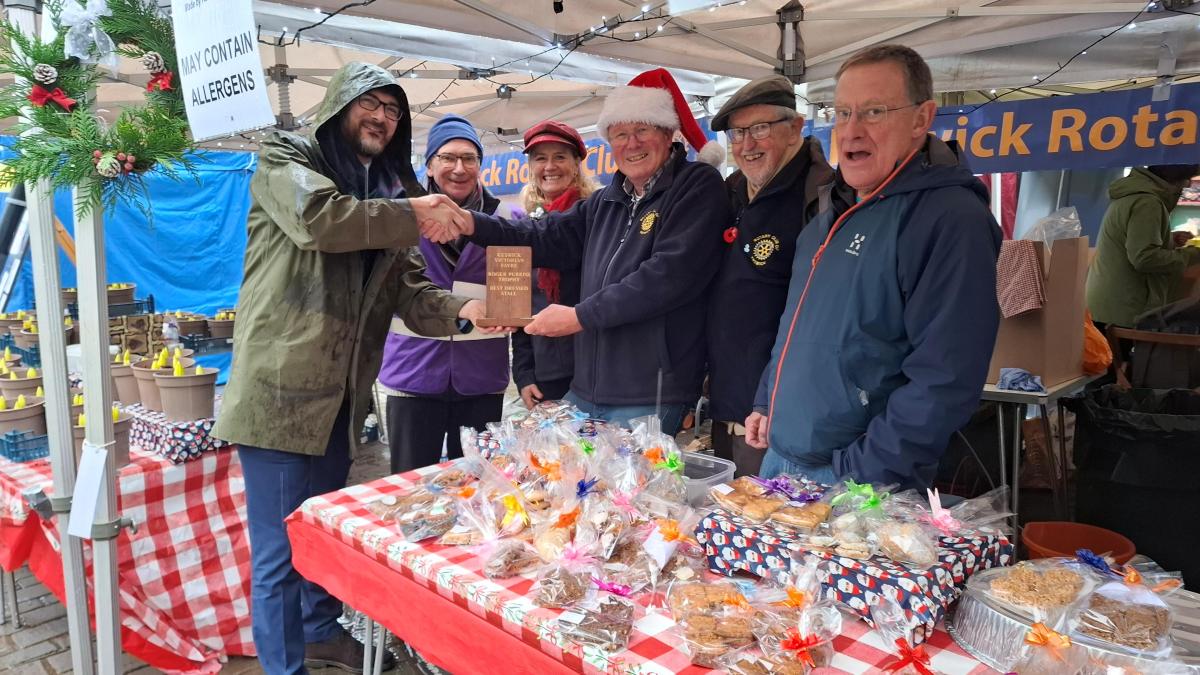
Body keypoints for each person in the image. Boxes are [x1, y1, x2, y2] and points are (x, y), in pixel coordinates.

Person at [213, 62, 486, 675]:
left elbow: (414, 297)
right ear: (339, 104)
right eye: (373, 102)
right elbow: (320, 222)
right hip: (279, 401)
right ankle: (284, 667)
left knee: (324, 535)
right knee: (279, 554)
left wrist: (471, 311)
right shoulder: (286, 159)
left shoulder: (386, 200)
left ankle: (318, 630)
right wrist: (417, 211)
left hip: (340, 404)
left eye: (394, 111)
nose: (383, 117)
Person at [744, 45, 1002, 491]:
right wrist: (768, 400)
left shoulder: (948, 217)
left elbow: (945, 378)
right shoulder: (828, 211)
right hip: (781, 463)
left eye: (874, 112)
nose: (852, 131)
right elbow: (798, 324)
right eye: (842, 113)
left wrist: (863, 470)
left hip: (856, 484)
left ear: (922, 119)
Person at [421, 68, 730, 434]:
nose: (631, 144)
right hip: (586, 389)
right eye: (620, 134)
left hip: (651, 391)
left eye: (642, 130)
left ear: (667, 133)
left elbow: (666, 277)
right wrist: (472, 223)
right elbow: (542, 236)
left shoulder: (696, 185)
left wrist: (579, 316)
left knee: (633, 490)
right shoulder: (604, 201)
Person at [705, 75, 835, 477]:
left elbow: (820, 316)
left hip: (775, 416)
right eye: (737, 134)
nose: (746, 145)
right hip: (725, 402)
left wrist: (773, 403)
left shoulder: (823, 196)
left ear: (796, 127)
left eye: (759, 129)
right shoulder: (731, 193)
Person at [378, 115, 521, 472]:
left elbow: (512, 301)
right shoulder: (400, 217)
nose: (459, 168)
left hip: (481, 380)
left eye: (469, 158)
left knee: (478, 485)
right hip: (413, 373)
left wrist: (511, 312)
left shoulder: (507, 219)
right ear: (429, 165)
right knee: (411, 486)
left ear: (480, 166)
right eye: (448, 158)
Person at [513, 120, 598, 409]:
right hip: (546, 368)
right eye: (540, 158)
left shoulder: (597, 218)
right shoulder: (524, 228)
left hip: (596, 364)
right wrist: (524, 374)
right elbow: (519, 307)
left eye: (560, 157)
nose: (550, 166)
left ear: (576, 164)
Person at [1087, 164, 1200, 330]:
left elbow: (1130, 239)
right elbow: (1145, 259)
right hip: (1124, 308)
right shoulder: (1148, 203)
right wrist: (1193, 254)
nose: (1189, 186)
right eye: (1186, 180)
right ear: (1173, 179)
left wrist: (1168, 240)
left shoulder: (1134, 194)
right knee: (1117, 355)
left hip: (1108, 304)